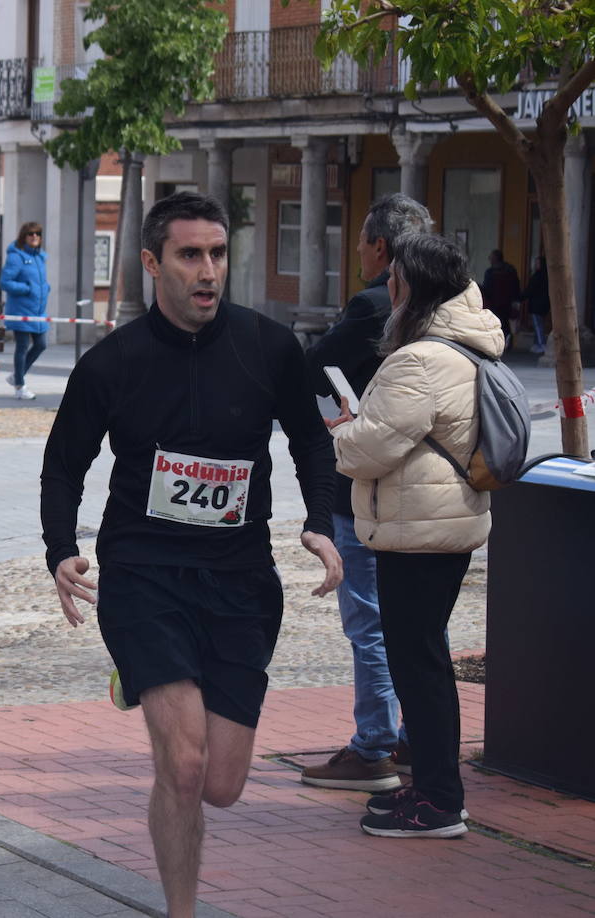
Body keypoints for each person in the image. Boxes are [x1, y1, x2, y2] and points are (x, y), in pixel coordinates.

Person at [41, 191, 341, 918]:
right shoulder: (113, 362)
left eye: (217, 253)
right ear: (152, 263)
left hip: (240, 581)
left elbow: (311, 439)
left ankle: (144, 681)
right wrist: (62, 549)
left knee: (223, 784)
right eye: (189, 255)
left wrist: (321, 521)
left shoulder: (269, 349)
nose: (208, 271)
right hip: (145, 575)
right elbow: (64, 462)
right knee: (183, 764)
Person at [330, 233, 502, 839]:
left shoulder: (420, 358)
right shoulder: (467, 344)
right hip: (439, 525)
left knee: (419, 665)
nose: (388, 287)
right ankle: (432, 788)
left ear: (413, 286)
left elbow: (368, 450)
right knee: (422, 658)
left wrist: (342, 431)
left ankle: (437, 800)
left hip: (420, 531)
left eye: (395, 279)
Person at [300, 193, 432, 792]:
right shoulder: (449, 305)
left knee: (371, 623)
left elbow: (314, 368)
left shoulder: (372, 304)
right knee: (423, 624)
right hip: (433, 494)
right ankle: (415, 740)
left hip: (368, 488)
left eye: (360, 240)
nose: (355, 249)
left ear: (381, 249)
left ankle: (373, 745)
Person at [0, 222, 50, 400]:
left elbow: (41, 283)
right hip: (21, 311)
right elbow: (5, 282)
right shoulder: (16, 257)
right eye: (30, 234)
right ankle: (20, 386)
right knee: (22, 346)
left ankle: (17, 376)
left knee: (41, 344)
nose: (34, 236)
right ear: (24, 236)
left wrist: (46, 288)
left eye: (37, 233)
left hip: (37, 312)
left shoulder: (40, 257)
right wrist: (26, 288)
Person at [480, 248, 520, 350]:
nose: (489, 259)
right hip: (507, 301)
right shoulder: (510, 270)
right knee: (506, 322)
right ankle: (508, 341)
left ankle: (500, 342)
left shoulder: (491, 272)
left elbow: (487, 288)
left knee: (497, 323)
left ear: (495, 258)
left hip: (495, 302)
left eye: (491, 257)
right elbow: (515, 286)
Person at [522, 254, 549, 355]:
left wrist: (520, 298)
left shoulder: (538, 276)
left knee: (538, 325)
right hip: (543, 304)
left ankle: (541, 344)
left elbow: (530, 290)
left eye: (537, 263)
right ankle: (538, 344)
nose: (535, 265)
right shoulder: (546, 275)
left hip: (537, 305)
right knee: (538, 324)